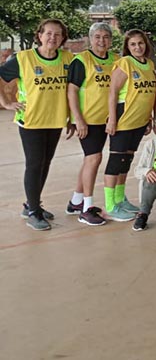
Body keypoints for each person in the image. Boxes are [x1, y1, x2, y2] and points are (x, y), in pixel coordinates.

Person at [0, 18, 74, 231]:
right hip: (31, 121)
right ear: (39, 35)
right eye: (48, 33)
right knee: (34, 164)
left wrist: (72, 118)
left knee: (45, 163)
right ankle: (33, 211)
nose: (52, 37)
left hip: (55, 119)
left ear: (62, 39)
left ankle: (31, 205)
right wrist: (5, 101)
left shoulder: (68, 59)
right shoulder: (23, 59)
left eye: (57, 34)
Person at [65, 22, 118, 226]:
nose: (101, 41)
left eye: (105, 37)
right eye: (97, 37)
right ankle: (87, 208)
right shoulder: (81, 60)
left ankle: (76, 201)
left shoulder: (116, 60)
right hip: (89, 120)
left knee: (90, 160)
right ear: (90, 39)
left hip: (110, 119)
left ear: (111, 40)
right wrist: (78, 119)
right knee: (94, 158)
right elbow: (72, 91)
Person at [105, 29, 156, 222]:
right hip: (123, 120)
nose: (137, 47)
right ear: (127, 47)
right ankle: (111, 204)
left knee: (126, 161)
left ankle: (120, 198)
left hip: (139, 121)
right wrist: (112, 119)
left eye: (140, 43)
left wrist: (150, 118)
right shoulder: (124, 63)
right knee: (115, 161)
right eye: (133, 44)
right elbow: (113, 93)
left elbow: (149, 94)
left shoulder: (149, 65)